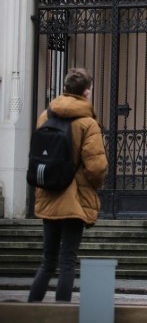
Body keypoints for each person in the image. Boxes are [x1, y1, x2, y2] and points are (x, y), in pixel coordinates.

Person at [28, 68, 108, 303]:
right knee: (67, 262)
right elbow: (97, 167)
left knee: (47, 261)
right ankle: (62, 315)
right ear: (85, 93)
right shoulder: (87, 123)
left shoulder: (45, 116)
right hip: (74, 198)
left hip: (48, 192)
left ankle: (31, 313)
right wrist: (92, 186)